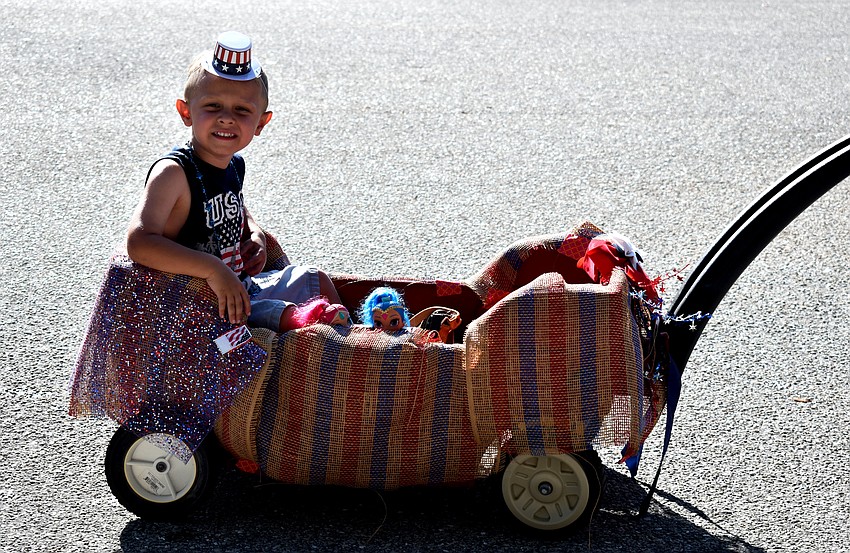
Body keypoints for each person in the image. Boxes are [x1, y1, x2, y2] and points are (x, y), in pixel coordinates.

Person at [126, 31, 347, 332]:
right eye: (213, 106)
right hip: (195, 305)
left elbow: (237, 209)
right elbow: (139, 242)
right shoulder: (173, 173)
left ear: (260, 123)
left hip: (239, 287)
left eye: (242, 110)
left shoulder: (234, 164)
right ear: (186, 111)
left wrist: (254, 235)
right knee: (284, 314)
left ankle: (357, 342)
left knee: (316, 280)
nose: (226, 118)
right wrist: (214, 269)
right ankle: (316, 329)